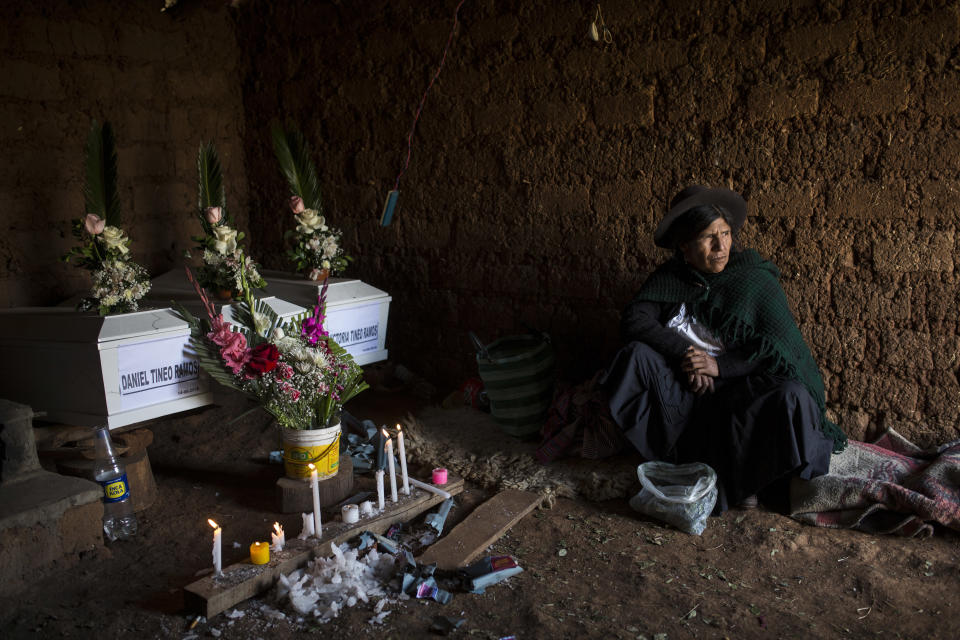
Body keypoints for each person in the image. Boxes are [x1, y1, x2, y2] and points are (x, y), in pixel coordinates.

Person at [601, 185, 846, 513]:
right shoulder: (672, 279)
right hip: (686, 392)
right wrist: (688, 356)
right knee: (634, 356)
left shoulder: (752, 281)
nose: (720, 246)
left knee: (791, 394)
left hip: (739, 393)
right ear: (684, 247)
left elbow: (775, 348)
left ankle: (752, 480)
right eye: (707, 237)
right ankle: (674, 459)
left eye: (725, 233)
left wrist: (719, 367)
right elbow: (635, 320)